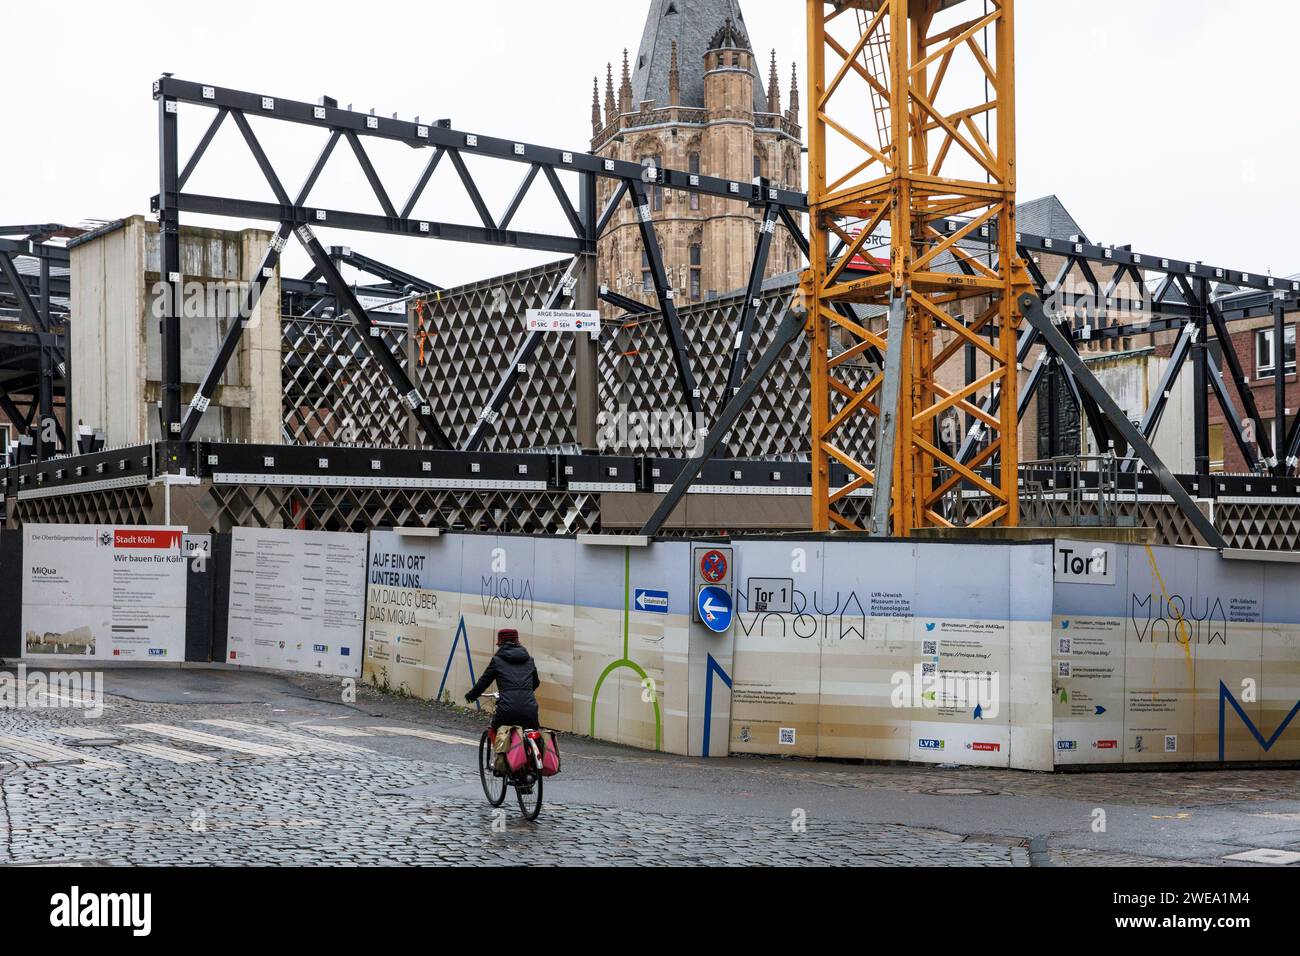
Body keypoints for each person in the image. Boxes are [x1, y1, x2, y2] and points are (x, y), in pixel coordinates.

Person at [466, 628, 540, 729]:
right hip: (530, 710)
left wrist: (471, 696)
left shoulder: (497, 661)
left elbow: (484, 682)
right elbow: (535, 683)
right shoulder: (530, 660)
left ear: (500, 644)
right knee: (530, 733)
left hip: (506, 710)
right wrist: (523, 690)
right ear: (517, 642)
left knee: (496, 730)